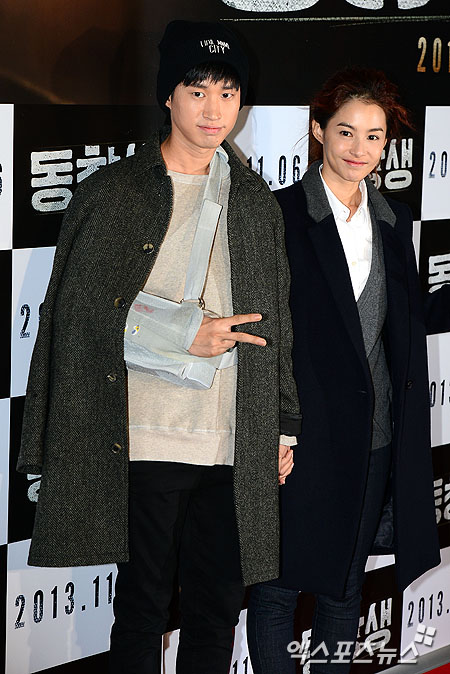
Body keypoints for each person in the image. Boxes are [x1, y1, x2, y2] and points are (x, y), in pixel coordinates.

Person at [16, 20, 302, 674]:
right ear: (168, 96)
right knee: (142, 611)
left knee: (216, 614)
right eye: (196, 90)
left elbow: (276, 322)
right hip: (144, 438)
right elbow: (76, 317)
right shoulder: (114, 192)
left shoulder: (254, 200)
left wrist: (282, 426)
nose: (213, 109)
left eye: (228, 93)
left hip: (231, 442)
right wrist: (181, 333)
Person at [247, 67, 443, 674]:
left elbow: (401, 324)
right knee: (277, 590)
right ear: (318, 131)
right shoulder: (280, 214)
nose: (360, 149)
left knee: (344, 589)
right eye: (346, 132)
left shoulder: (393, 220)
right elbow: (264, 333)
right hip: (298, 436)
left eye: (374, 136)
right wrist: (274, 427)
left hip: (372, 436)